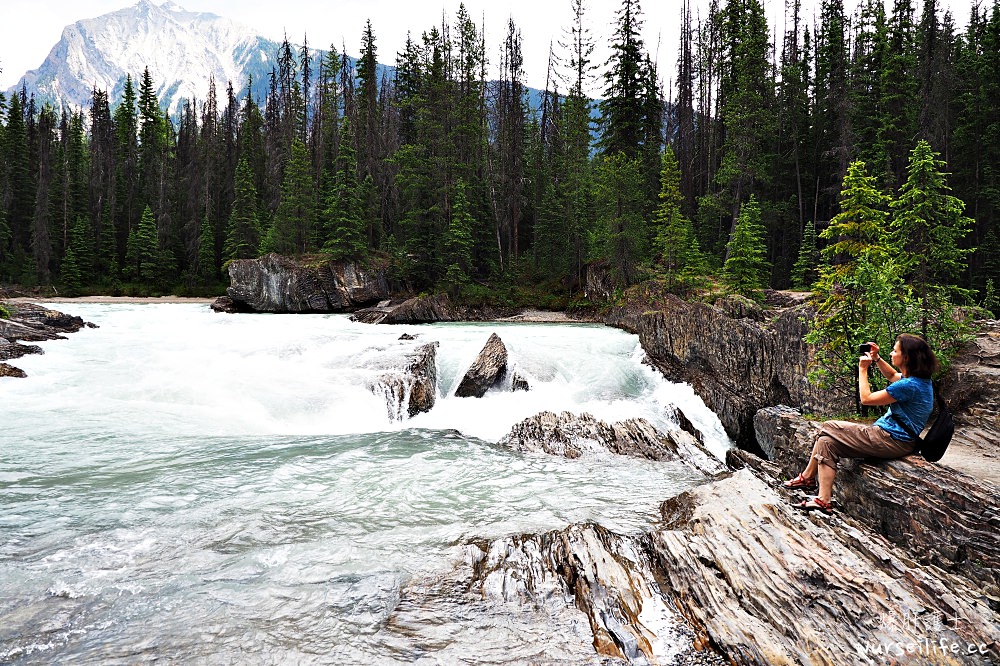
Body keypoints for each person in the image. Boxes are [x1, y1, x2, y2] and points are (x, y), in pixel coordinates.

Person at [784, 333, 939, 513]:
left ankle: (807, 478)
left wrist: (863, 369)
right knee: (826, 442)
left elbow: (866, 399)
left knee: (828, 426)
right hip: (897, 440)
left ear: (906, 357)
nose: (891, 353)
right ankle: (823, 499)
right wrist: (877, 358)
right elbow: (891, 375)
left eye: (894, 351)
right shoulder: (918, 381)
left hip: (891, 439)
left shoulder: (908, 386)